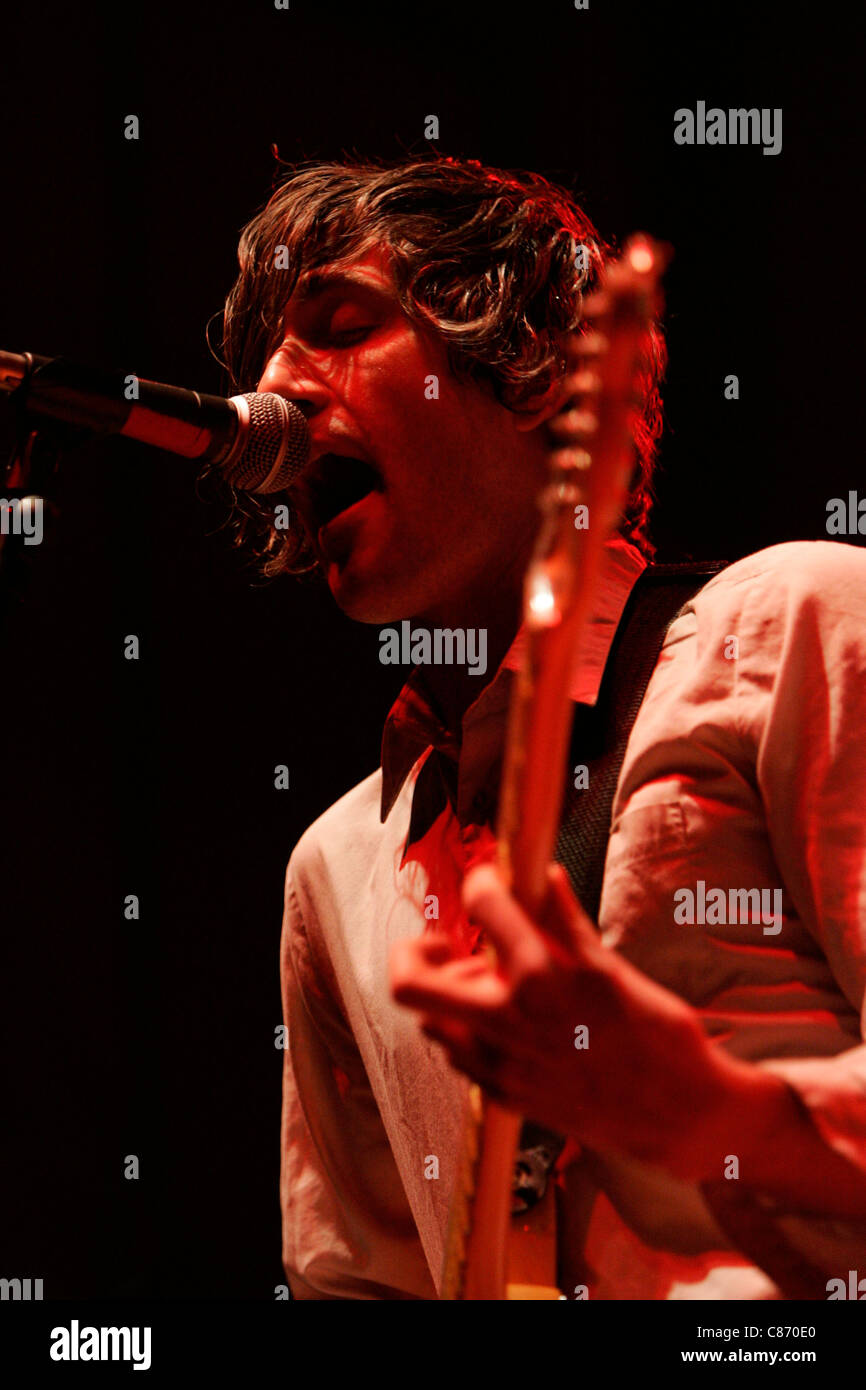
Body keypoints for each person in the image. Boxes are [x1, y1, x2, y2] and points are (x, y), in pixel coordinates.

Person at [219, 154, 866, 1300]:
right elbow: (357, 1283)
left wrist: (711, 1111)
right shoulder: (335, 865)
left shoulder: (790, 622)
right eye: (268, 351)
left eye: (339, 325)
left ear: (523, 367)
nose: (273, 384)